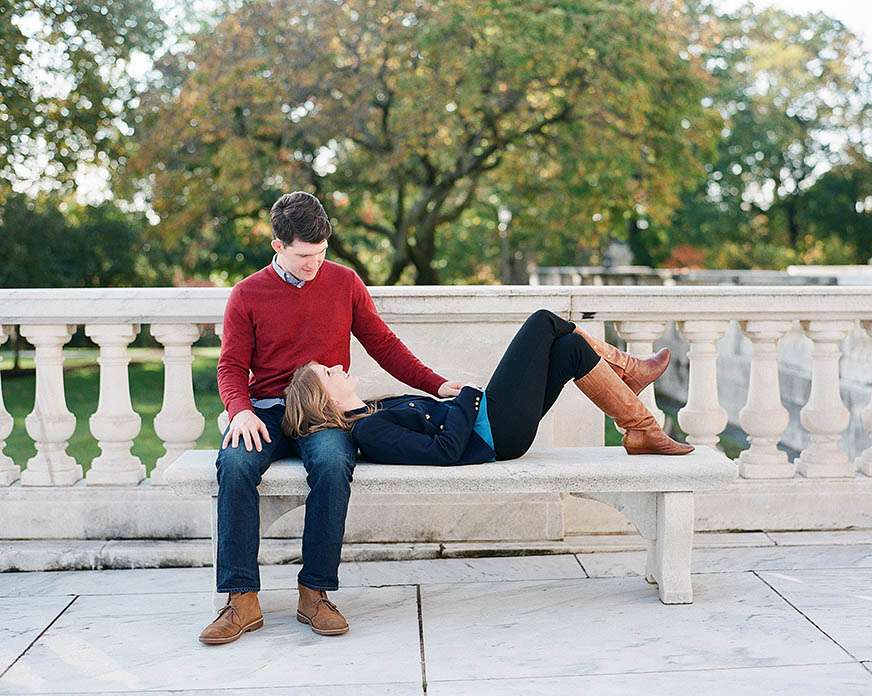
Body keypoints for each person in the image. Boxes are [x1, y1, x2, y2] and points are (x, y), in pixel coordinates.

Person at [199, 191, 464, 646]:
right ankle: (241, 599)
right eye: (304, 255)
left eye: (322, 254)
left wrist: (435, 384)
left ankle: (315, 592)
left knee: (331, 464)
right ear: (278, 246)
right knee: (236, 465)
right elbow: (229, 367)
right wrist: (238, 411)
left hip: (322, 413)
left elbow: (383, 344)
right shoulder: (247, 294)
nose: (314, 265)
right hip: (265, 410)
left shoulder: (344, 283)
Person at [281, 309, 693, 468]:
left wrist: (451, 396)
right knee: (543, 322)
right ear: (326, 400)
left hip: (491, 421)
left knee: (568, 349)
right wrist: (463, 398)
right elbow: (442, 452)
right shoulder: (368, 431)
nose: (338, 366)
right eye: (329, 374)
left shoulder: (370, 413)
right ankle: (630, 371)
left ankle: (640, 430)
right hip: (494, 431)